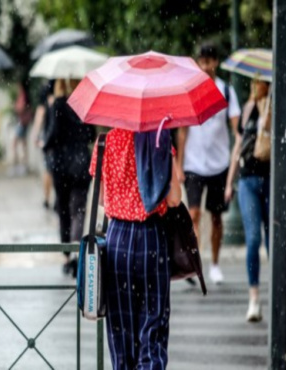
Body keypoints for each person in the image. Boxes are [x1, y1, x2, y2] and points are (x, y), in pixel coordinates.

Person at [90, 128, 182, 369]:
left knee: (121, 330)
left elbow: (100, 198)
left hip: (117, 240)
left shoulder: (104, 142)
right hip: (151, 236)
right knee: (153, 326)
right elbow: (174, 199)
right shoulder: (160, 140)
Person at [176, 43, 241, 285]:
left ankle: (214, 263)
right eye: (201, 62)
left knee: (216, 218)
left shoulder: (226, 91)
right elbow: (182, 131)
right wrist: (180, 165)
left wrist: (239, 139)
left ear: (215, 62)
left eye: (208, 61)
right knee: (193, 213)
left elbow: (236, 125)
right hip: (194, 163)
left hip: (219, 163)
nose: (205, 66)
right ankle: (195, 262)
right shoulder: (191, 90)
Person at [225, 79, 271, 322]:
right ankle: (254, 298)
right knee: (253, 237)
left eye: (259, 84)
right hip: (247, 179)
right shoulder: (247, 108)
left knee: (273, 241)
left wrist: (268, 118)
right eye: (252, 84)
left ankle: (277, 293)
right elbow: (239, 145)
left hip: (270, 178)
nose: (255, 88)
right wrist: (229, 182)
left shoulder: (274, 106)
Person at [42, 78, 95, 276]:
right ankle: (76, 253)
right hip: (82, 165)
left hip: (62, 166)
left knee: (63, 209)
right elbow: (90, 134)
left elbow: (53, 134)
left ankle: (67, 256)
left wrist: (44, 144)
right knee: (78, 210)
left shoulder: (58, 104)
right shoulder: (84, 105)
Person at [31, 80, 56, 209]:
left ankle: (46, 198)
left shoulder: (45, 93)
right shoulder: (61, 93)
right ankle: (57, 199)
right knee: (56, 169)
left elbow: (40, 114)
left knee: (48, 169)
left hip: (47, 140)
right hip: (59, 140)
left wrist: (36, 135)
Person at [11, 82, 32, 176]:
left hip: (22, 122)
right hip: (23, 122)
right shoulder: (24, 95)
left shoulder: (22, 95)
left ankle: (19, 166)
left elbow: (21, 108)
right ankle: (22, 166)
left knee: (16, 144)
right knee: (22, 144)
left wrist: (15, 107)